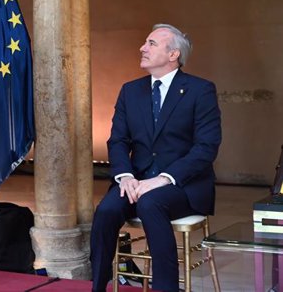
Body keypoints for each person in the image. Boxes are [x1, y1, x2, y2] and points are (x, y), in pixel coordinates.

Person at [90, 24, 222, 292]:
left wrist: (163, 179)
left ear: (173, 54)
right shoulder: (130, 90)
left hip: (183, 185)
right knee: (106, 210)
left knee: (151, 204)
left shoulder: (200, 90)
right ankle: (97, 285)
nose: (142, 48)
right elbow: (118, 140)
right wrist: (125, 176)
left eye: (151, 43)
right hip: (135, 180)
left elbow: (206, 147)